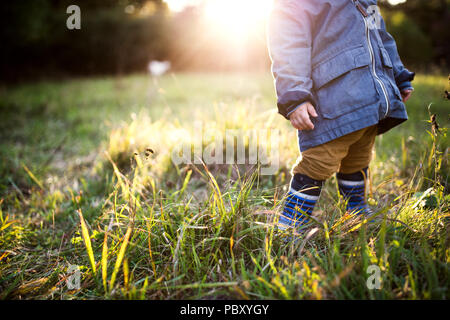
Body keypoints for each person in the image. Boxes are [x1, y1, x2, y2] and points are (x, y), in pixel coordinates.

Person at [267, 0, 415, 233]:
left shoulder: (367, 2)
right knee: (318, 161)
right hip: (334, 100)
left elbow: (382, 37)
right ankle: (290, 227)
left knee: (359, 157)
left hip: (371, 99)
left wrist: (398, 75)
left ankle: (356, 212)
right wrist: (295, 95)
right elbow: (289, 46)